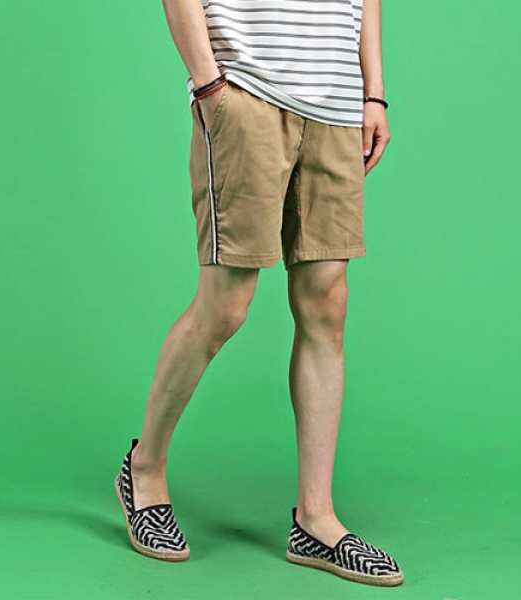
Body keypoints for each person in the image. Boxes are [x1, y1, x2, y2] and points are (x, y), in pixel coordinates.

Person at [115, 0, 403, 587]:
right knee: (225, 305)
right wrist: (208, 84)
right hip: (246, 91)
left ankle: (316, 519)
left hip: (336, 103)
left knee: (327, 304)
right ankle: (144, 468)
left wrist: (373, 92)